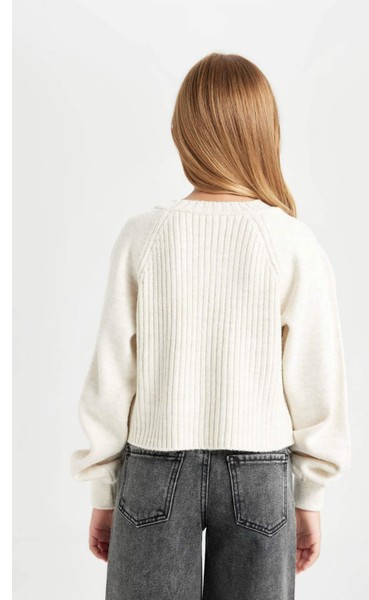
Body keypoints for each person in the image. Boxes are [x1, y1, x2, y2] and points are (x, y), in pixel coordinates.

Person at [70, 52, 351, 600]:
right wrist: (310, 495)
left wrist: (103, 490)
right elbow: (317, 378)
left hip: (153, 470)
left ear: (182, 133)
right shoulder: (291, 241)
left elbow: (112, 372)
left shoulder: (144, 236)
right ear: (266, 134)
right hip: (261, 475)